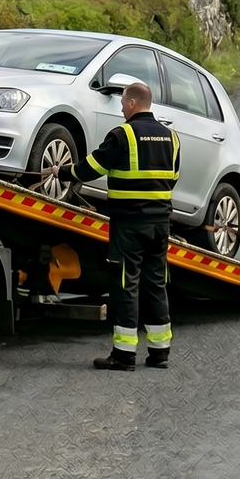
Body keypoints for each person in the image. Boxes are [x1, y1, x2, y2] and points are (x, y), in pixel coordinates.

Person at [41, 82, 179, 371]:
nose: (120, 109)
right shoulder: (172, 138)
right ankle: (160, 353)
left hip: (129, 224)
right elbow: (173, 177)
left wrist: (62, 171)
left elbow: (92, 167)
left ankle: (124, 355)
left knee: (125, 286)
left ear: (131, 103)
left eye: (122, 104)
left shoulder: (123, 135)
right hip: (160, 225)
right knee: (156, 285)